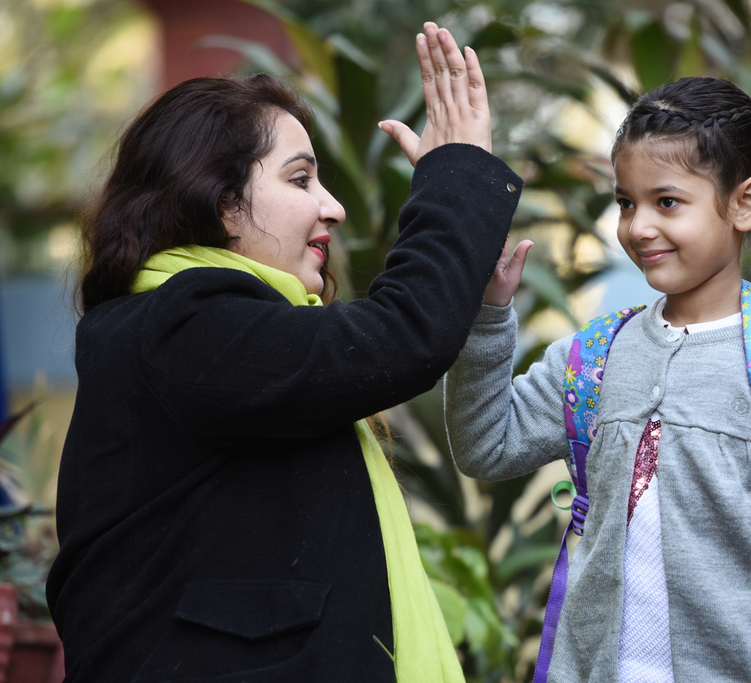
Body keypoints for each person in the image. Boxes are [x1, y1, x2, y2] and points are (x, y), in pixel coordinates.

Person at [46, 23, 520, 682]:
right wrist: (459, 172)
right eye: (300, 179)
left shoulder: (194, 332)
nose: (334, 208)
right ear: (222, 205)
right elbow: (403, 333)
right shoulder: (182, 326)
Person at [444, 76, 751, 682]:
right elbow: (484, 444)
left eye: (667, 202)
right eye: (626, 203)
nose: (637, 227)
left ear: (745, 203)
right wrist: (487, 315)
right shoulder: (595, 357)